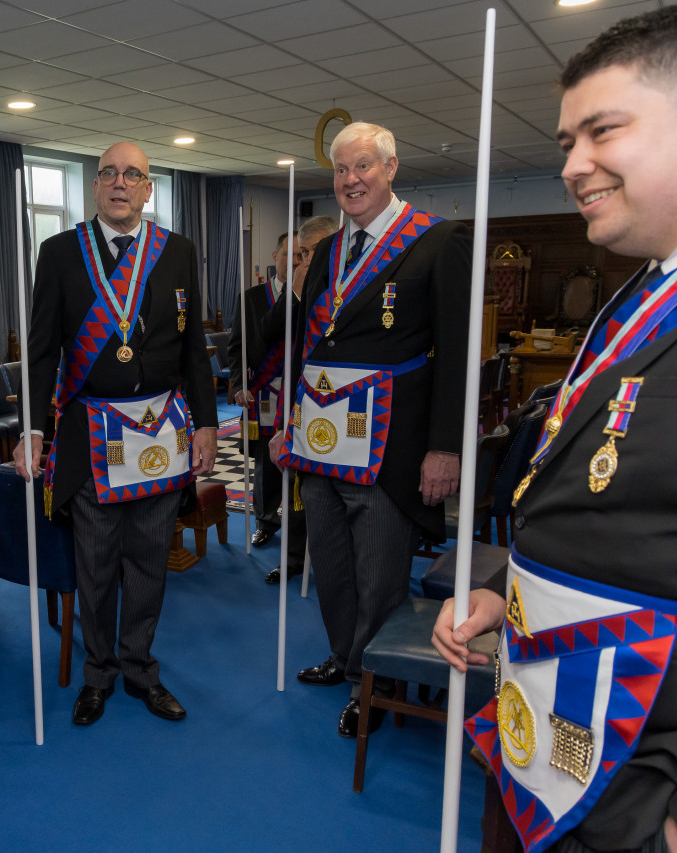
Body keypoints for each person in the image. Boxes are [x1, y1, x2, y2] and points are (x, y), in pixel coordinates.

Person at [433, 7, 677, 853]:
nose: (571, 165)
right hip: (555, 738)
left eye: (603, 130)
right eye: (567, 142)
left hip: (655, 775)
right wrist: (507, 597)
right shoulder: (646, 292)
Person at [272, 121, 471, 738]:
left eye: (363, 166)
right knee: (332, 565)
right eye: (340, 170)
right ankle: (346, 657)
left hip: (390, 444)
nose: (350, 180)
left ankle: (377, 682)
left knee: (379, 573)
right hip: (322, 441)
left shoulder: (437, 241)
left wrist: (445, 447)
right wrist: (289, 425)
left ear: (391, 168)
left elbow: (458, 354)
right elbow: (310, 348)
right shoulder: (330, 250)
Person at [14, 141, 217, 727]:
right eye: (109, 174)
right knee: (97, 565)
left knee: (150, 561)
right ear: (96, 186)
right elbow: (41, 351)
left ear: (148, 189)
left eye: (132, 175)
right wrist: (33, 428)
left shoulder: (177, 251)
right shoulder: (59, 253)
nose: (120, 183)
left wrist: (207, 422)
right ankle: (98, 673)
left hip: (159, 434)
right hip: (90, 435)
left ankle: (140, 669)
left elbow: (193, 348)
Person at [229, 219, 337, 584]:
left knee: (318, 484)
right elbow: (255, 337)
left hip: (328, 398)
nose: (301, 261)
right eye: (297, 253)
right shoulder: (261, 295)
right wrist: (295, 294)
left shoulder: (343, 287)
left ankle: (324, 555)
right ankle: (281, 542)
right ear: (277, 255)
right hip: (275, 394)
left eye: (309, 252)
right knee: (274, 466)